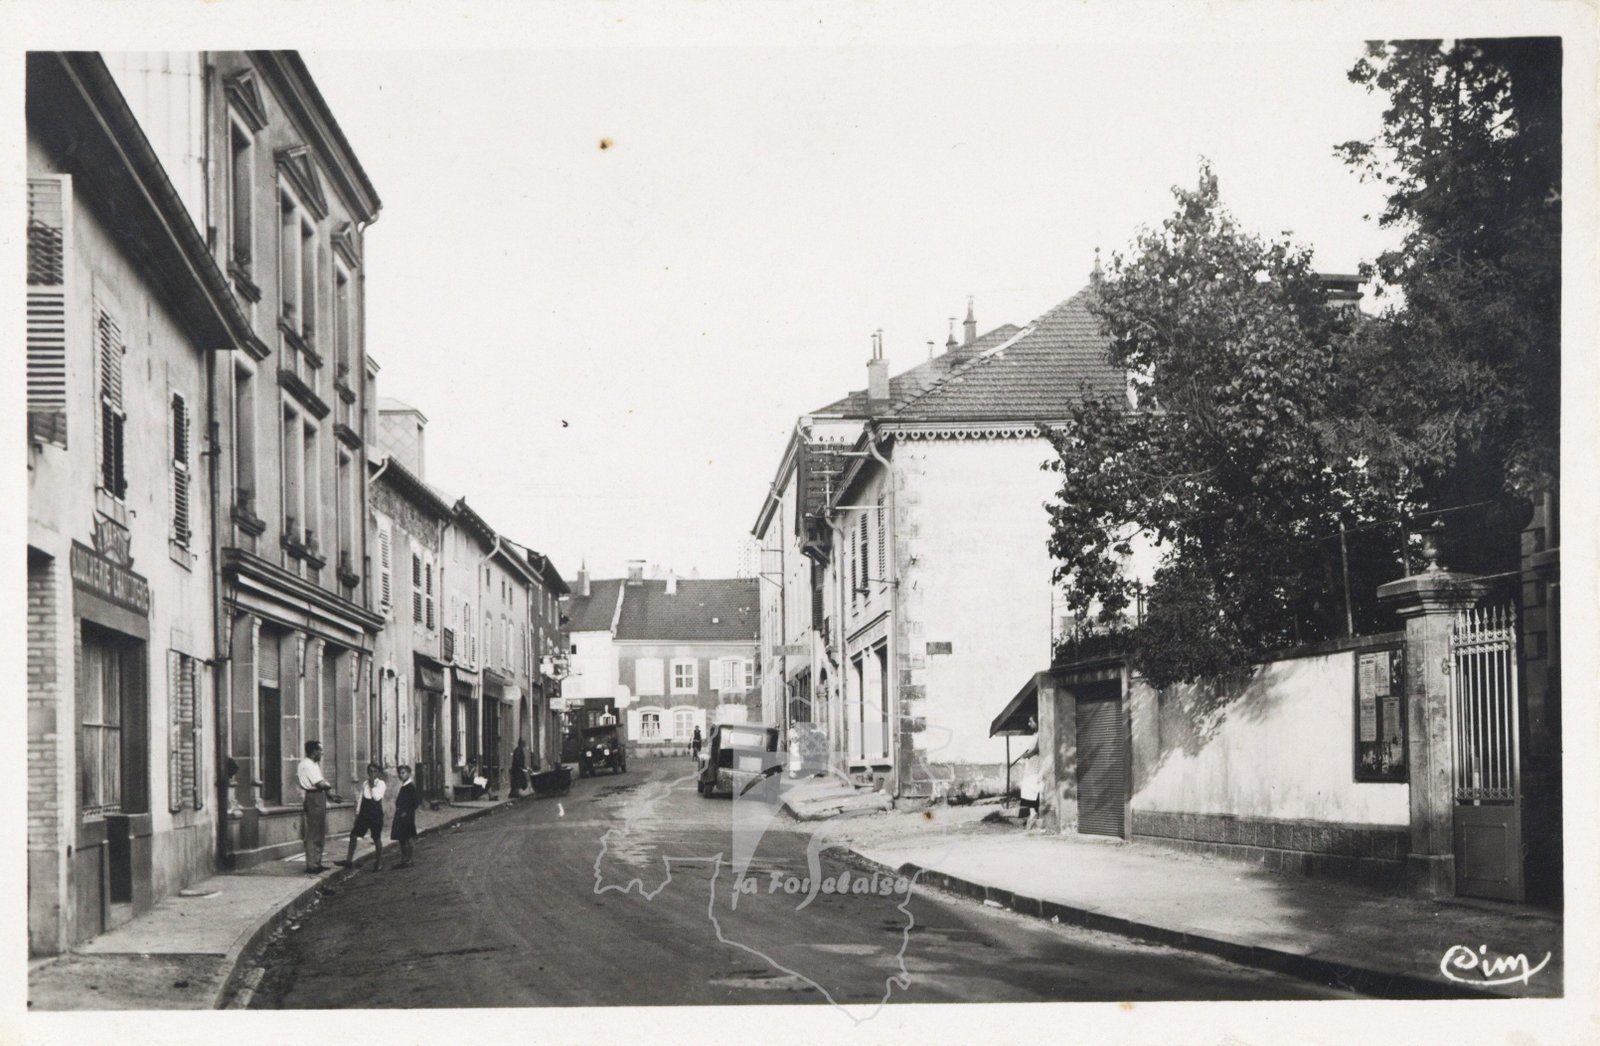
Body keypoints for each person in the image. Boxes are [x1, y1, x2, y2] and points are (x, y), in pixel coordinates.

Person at [297, 740, 337, 873]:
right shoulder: (307, 765)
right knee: (314, 832)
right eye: (320, 750)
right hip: (313, 797)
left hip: (318, 796)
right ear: (313, 751)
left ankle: (317, 862)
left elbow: (322, 784)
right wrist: (328, 785)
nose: (322, 753)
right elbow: (320, 784)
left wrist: (329, 793)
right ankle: (311, 865)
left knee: (319, 831)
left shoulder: (314, 764)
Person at [339, 762, 387, 871]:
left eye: (375, 771)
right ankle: (348, 861)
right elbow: (361, 799)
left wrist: (372, 785)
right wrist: (357, 813)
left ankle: (379, 863)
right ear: (367, 772)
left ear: (378, 773)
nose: (372, 773)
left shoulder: (381, 784)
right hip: (364, 815)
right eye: (370, 771)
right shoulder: (365, 783)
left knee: (376, 838)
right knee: (354, 835)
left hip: (375, 815)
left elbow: (376, 797)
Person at [391, 763, 420, 867]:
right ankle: (404, 859)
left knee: (408, 837)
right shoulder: (404, 786)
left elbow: (415, 803)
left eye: (403, 773)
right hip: (401, 815)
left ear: (409, 774)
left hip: (407, 816)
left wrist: (406, 812)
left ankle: (410, 859)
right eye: (399, 773)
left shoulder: (410, 787)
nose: (401, 775)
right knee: (402, 838)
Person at [1018, 746, 1042, 832]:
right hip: (1032, 771)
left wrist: (1028, 755)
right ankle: (1032, 812)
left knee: (1031, 786)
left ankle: (1034, 813)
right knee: (1026, 787)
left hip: (1036, 771)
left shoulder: (1036, 756)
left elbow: (1036, 749)